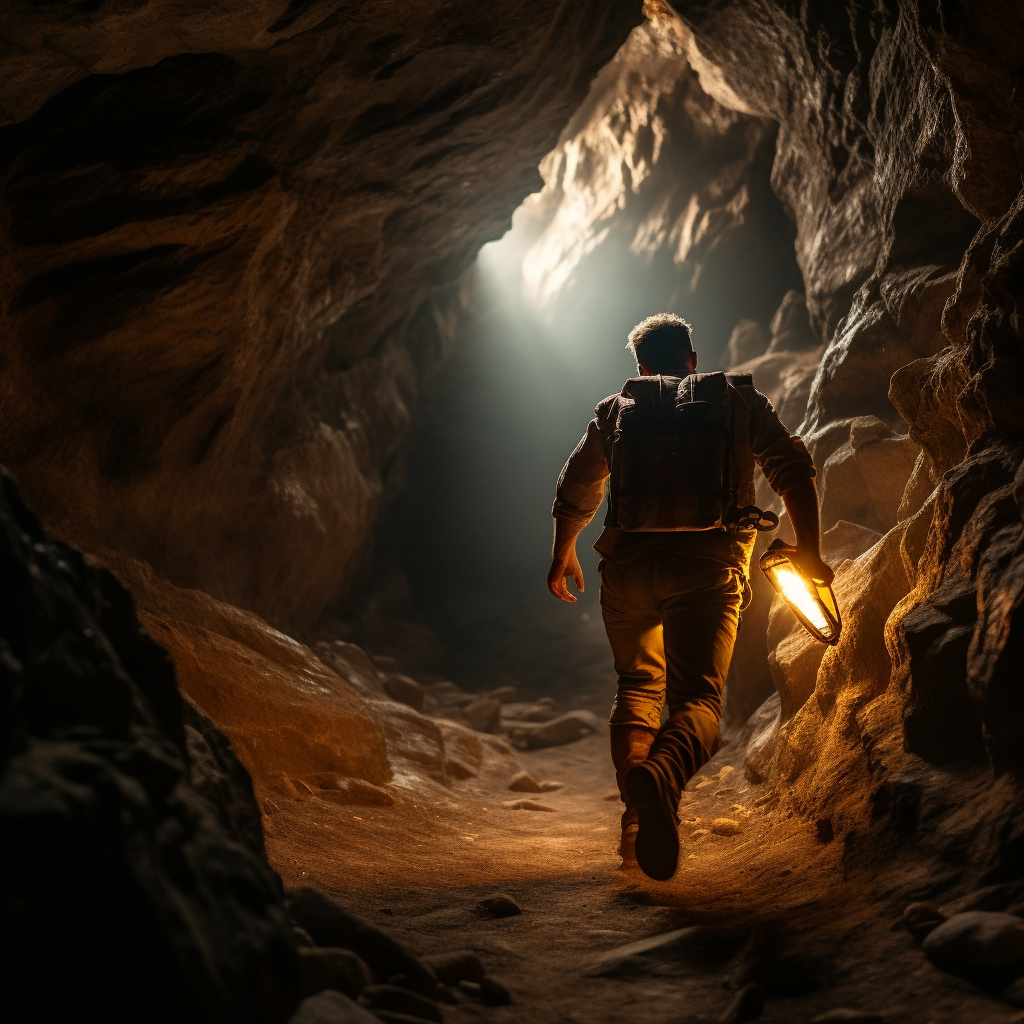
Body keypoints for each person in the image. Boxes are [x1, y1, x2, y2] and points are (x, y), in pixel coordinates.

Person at [547, 313, 832, 881]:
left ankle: (635, 825)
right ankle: (662, 778)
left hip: (627, 569)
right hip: (707, 567)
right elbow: (791, 466)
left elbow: (577, 484)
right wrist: (810, 550)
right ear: (692, 360)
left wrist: (563, 552)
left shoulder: (616, 409)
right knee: (697, 704)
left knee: (636, 690)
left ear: (643, 369)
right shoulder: (738, 402)